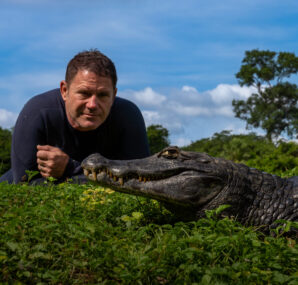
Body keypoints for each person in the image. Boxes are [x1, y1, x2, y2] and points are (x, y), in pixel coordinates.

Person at [0, 49, 150, 184]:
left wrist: (70, 168)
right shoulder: (37, 113)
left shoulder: (128, 116)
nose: (92, 104)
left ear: (114, 95)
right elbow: (23, 184)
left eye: (103, 95)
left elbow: (139, 183)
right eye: (84, 93)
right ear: (64, 90)